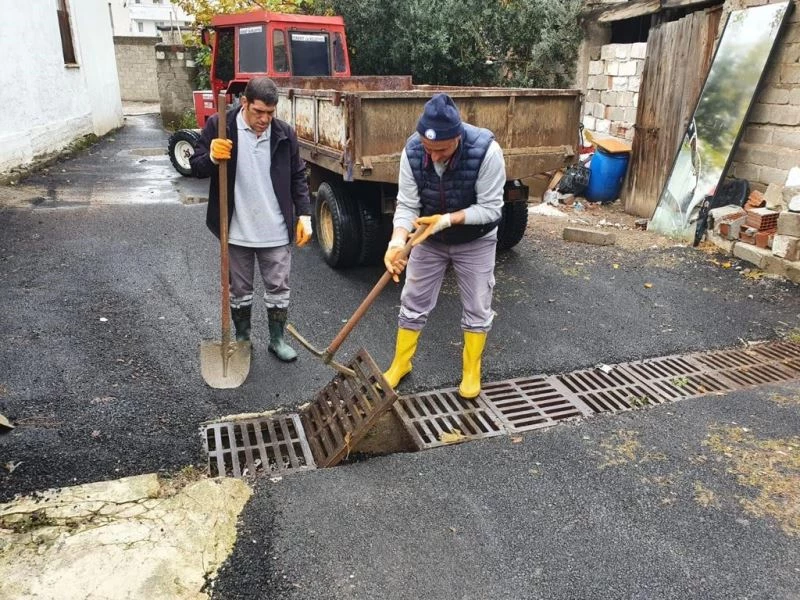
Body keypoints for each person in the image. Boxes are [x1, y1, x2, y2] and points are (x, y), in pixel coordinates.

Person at [383, 93, 505, 398]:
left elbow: (491, 208)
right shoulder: (411, 151)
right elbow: (408, 205)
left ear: (458, 137)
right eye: (429, 148)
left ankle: (471, 370)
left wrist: (447, 220)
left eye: (443, 149)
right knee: (413, 300)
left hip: (475, 240)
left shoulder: (486, 151)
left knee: (478, 304)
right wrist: (397, 242)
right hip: (428, 238)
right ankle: (401, 363)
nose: (434, 156)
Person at [191, 77, 312, 362]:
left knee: (278, 288)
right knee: (240, 290)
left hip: (275, 228)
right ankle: (243, 339)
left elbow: (298, 176)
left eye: (270, 113)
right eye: (259, 112)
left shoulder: (284, 134)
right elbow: (195, 166)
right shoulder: (221, 127)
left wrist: (305, 214)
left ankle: (277, 339)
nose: (265, 119)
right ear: (244, 102)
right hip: (235, 228)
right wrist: (210, 155)